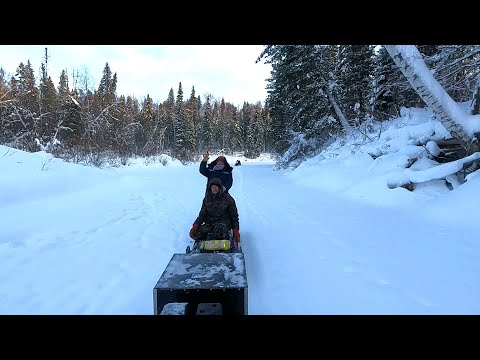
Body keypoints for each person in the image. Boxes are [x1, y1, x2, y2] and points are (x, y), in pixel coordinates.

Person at [189, 178, 240, 243]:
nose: (214, 189)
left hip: (223, 222)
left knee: (219, 232)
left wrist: (235, 230)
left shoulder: (228, 198)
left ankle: (223, 243)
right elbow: (202, 214)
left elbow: (234, 216)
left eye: (216, 187)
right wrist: (195, 225)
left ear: (220, 188)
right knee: (195, 234)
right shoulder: (207, 199)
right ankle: (203, 243)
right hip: (210, 223)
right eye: (213, 187)